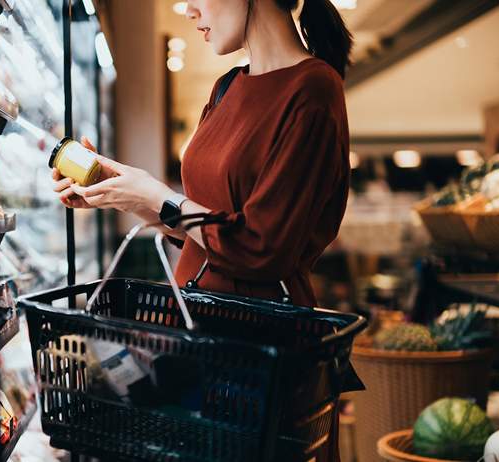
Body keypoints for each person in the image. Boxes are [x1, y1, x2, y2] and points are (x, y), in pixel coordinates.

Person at [53, 0, 352, 457]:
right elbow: (210, 221)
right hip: (197, 336)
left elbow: (261, 246)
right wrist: (120, 192)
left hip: (256, 354)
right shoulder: (227, 86)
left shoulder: (312, 89)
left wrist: (159, 197)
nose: (189, 9)